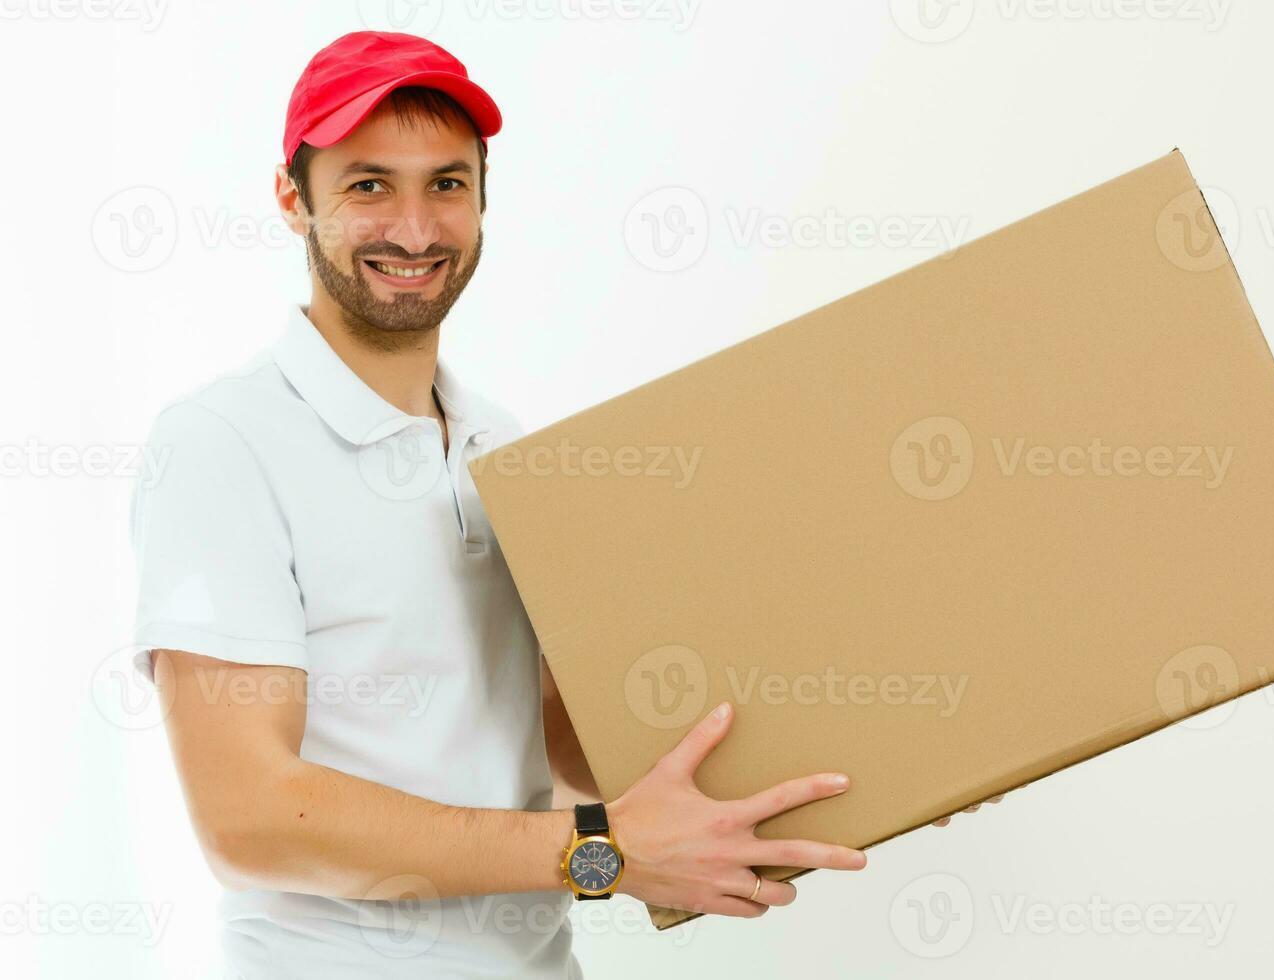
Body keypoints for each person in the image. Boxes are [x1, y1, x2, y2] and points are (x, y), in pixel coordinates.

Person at [128, 31, 871, 978]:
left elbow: (578, 741)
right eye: (367, 185)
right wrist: (599, 850)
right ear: (291, 197)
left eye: (446, 183)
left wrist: (879, 761)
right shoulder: (222, 443)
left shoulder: (502, 447)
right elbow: (250, 819)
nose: (414, 228)